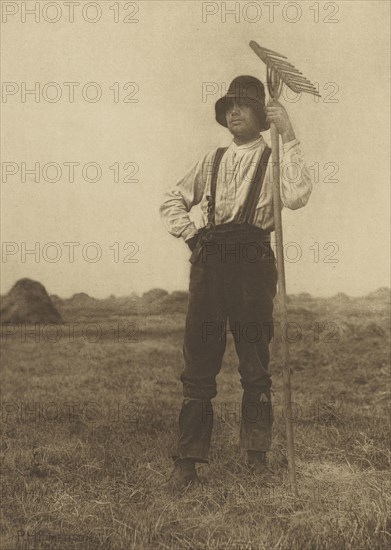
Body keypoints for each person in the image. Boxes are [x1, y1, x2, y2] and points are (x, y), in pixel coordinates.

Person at [159, 75, 312, 490]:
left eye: (243, 105)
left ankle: (256, 458)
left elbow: (298, 196)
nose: (234, 112)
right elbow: (171, 198)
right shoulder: (211, 160)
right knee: (199, 363)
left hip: (253, 263)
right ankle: (187, 462)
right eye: (228, 106)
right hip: (209, 264)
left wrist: (290, 133)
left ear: (262, 114)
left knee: (255, 364)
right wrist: (191, 236)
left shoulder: (274, 156)